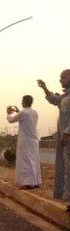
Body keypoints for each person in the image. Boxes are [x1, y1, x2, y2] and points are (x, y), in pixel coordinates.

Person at [38, 70, 70, 201]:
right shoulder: (65, 96)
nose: (60, 80)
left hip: (67, 137)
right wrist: (44, 88)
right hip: (65, 139)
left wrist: (67, 132)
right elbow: (53, 99)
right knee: (66, 168)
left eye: (63, 77)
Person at [6, 96, 42, 189]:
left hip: (25, 141)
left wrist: (9, 112)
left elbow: (11, 119)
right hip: (34, 140)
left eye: (22, 101)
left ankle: (28, 183)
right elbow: (23, 117)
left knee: (26, 161)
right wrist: (17, 112)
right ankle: (36, 182)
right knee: (34, 161)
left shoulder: (23, 112)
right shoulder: (34, 112)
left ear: (24, 102)